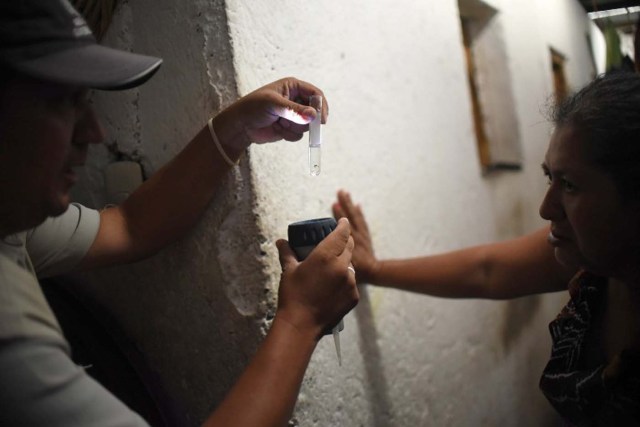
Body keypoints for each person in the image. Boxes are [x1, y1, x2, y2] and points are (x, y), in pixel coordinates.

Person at [0, 1, 359, 426]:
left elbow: (131, 227)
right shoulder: (9, 330)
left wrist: (236, 128)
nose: (93, 132)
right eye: (61, 103)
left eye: (87, 102)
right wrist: (301, 320)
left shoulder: (13, 224)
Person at [333, 71, 640, 425]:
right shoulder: (593, 262)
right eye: (549, 177)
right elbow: (487, 271)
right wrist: (374, 269)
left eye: (569, 185)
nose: (546, 208)